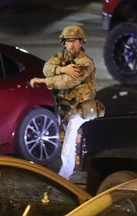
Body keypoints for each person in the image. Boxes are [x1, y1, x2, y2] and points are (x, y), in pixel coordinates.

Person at [30, 25, 98, 180]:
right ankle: (74, 174)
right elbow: (46, 67)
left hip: (81, 110)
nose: (71, 44)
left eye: (75, 41)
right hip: (66, 110)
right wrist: (63, 69)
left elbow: (67, 82)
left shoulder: (85, 62)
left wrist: (44, 81)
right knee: (70, 144)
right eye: (68, 41)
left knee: (69, 143)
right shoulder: (61, 58)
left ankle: (63, 177)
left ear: (82, 42)